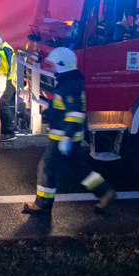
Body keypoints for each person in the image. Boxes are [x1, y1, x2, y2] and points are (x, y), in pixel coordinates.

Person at [22, 47, 115, 218]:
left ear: (62, 65)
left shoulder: (68, 83)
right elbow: (63, 109)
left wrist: (65, 137)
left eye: (55, 64)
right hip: (69, 135)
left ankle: (42, 205)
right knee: (77, 167)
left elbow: (75, 113)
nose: (53, 67)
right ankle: (104, 191)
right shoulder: (69, 80)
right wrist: (46, 107)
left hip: (63, 136)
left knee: (47, 166)